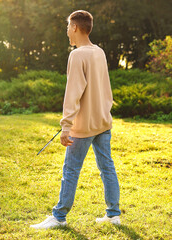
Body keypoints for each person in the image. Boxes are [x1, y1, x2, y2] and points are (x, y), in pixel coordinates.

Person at [30, 10, 121, 229]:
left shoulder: (77, 55)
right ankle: (113, 214)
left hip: (84, 127)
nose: (67, 32)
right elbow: (105, 89)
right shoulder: (99, 52)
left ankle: (59, 217)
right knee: (107, 167)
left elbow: (73, 93)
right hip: (103, 122)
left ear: (75, 28)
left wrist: (66, 126)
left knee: (70, 170)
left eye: (68, 27)